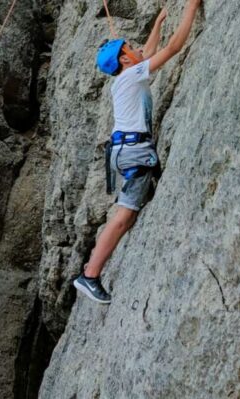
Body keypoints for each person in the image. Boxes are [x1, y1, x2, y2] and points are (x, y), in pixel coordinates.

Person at [74, 0, 203, 304]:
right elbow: (172, 48)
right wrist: (191, 8)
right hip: (134, 152)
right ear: (124, 60)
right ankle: (90, 274)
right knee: (123, 216)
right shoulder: (131, 76)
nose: (137, 49)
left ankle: (90, 267)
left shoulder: (125, 76)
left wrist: (158, 22)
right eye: (130, 48)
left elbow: (146, 51)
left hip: (125, 150)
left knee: (126, 215)